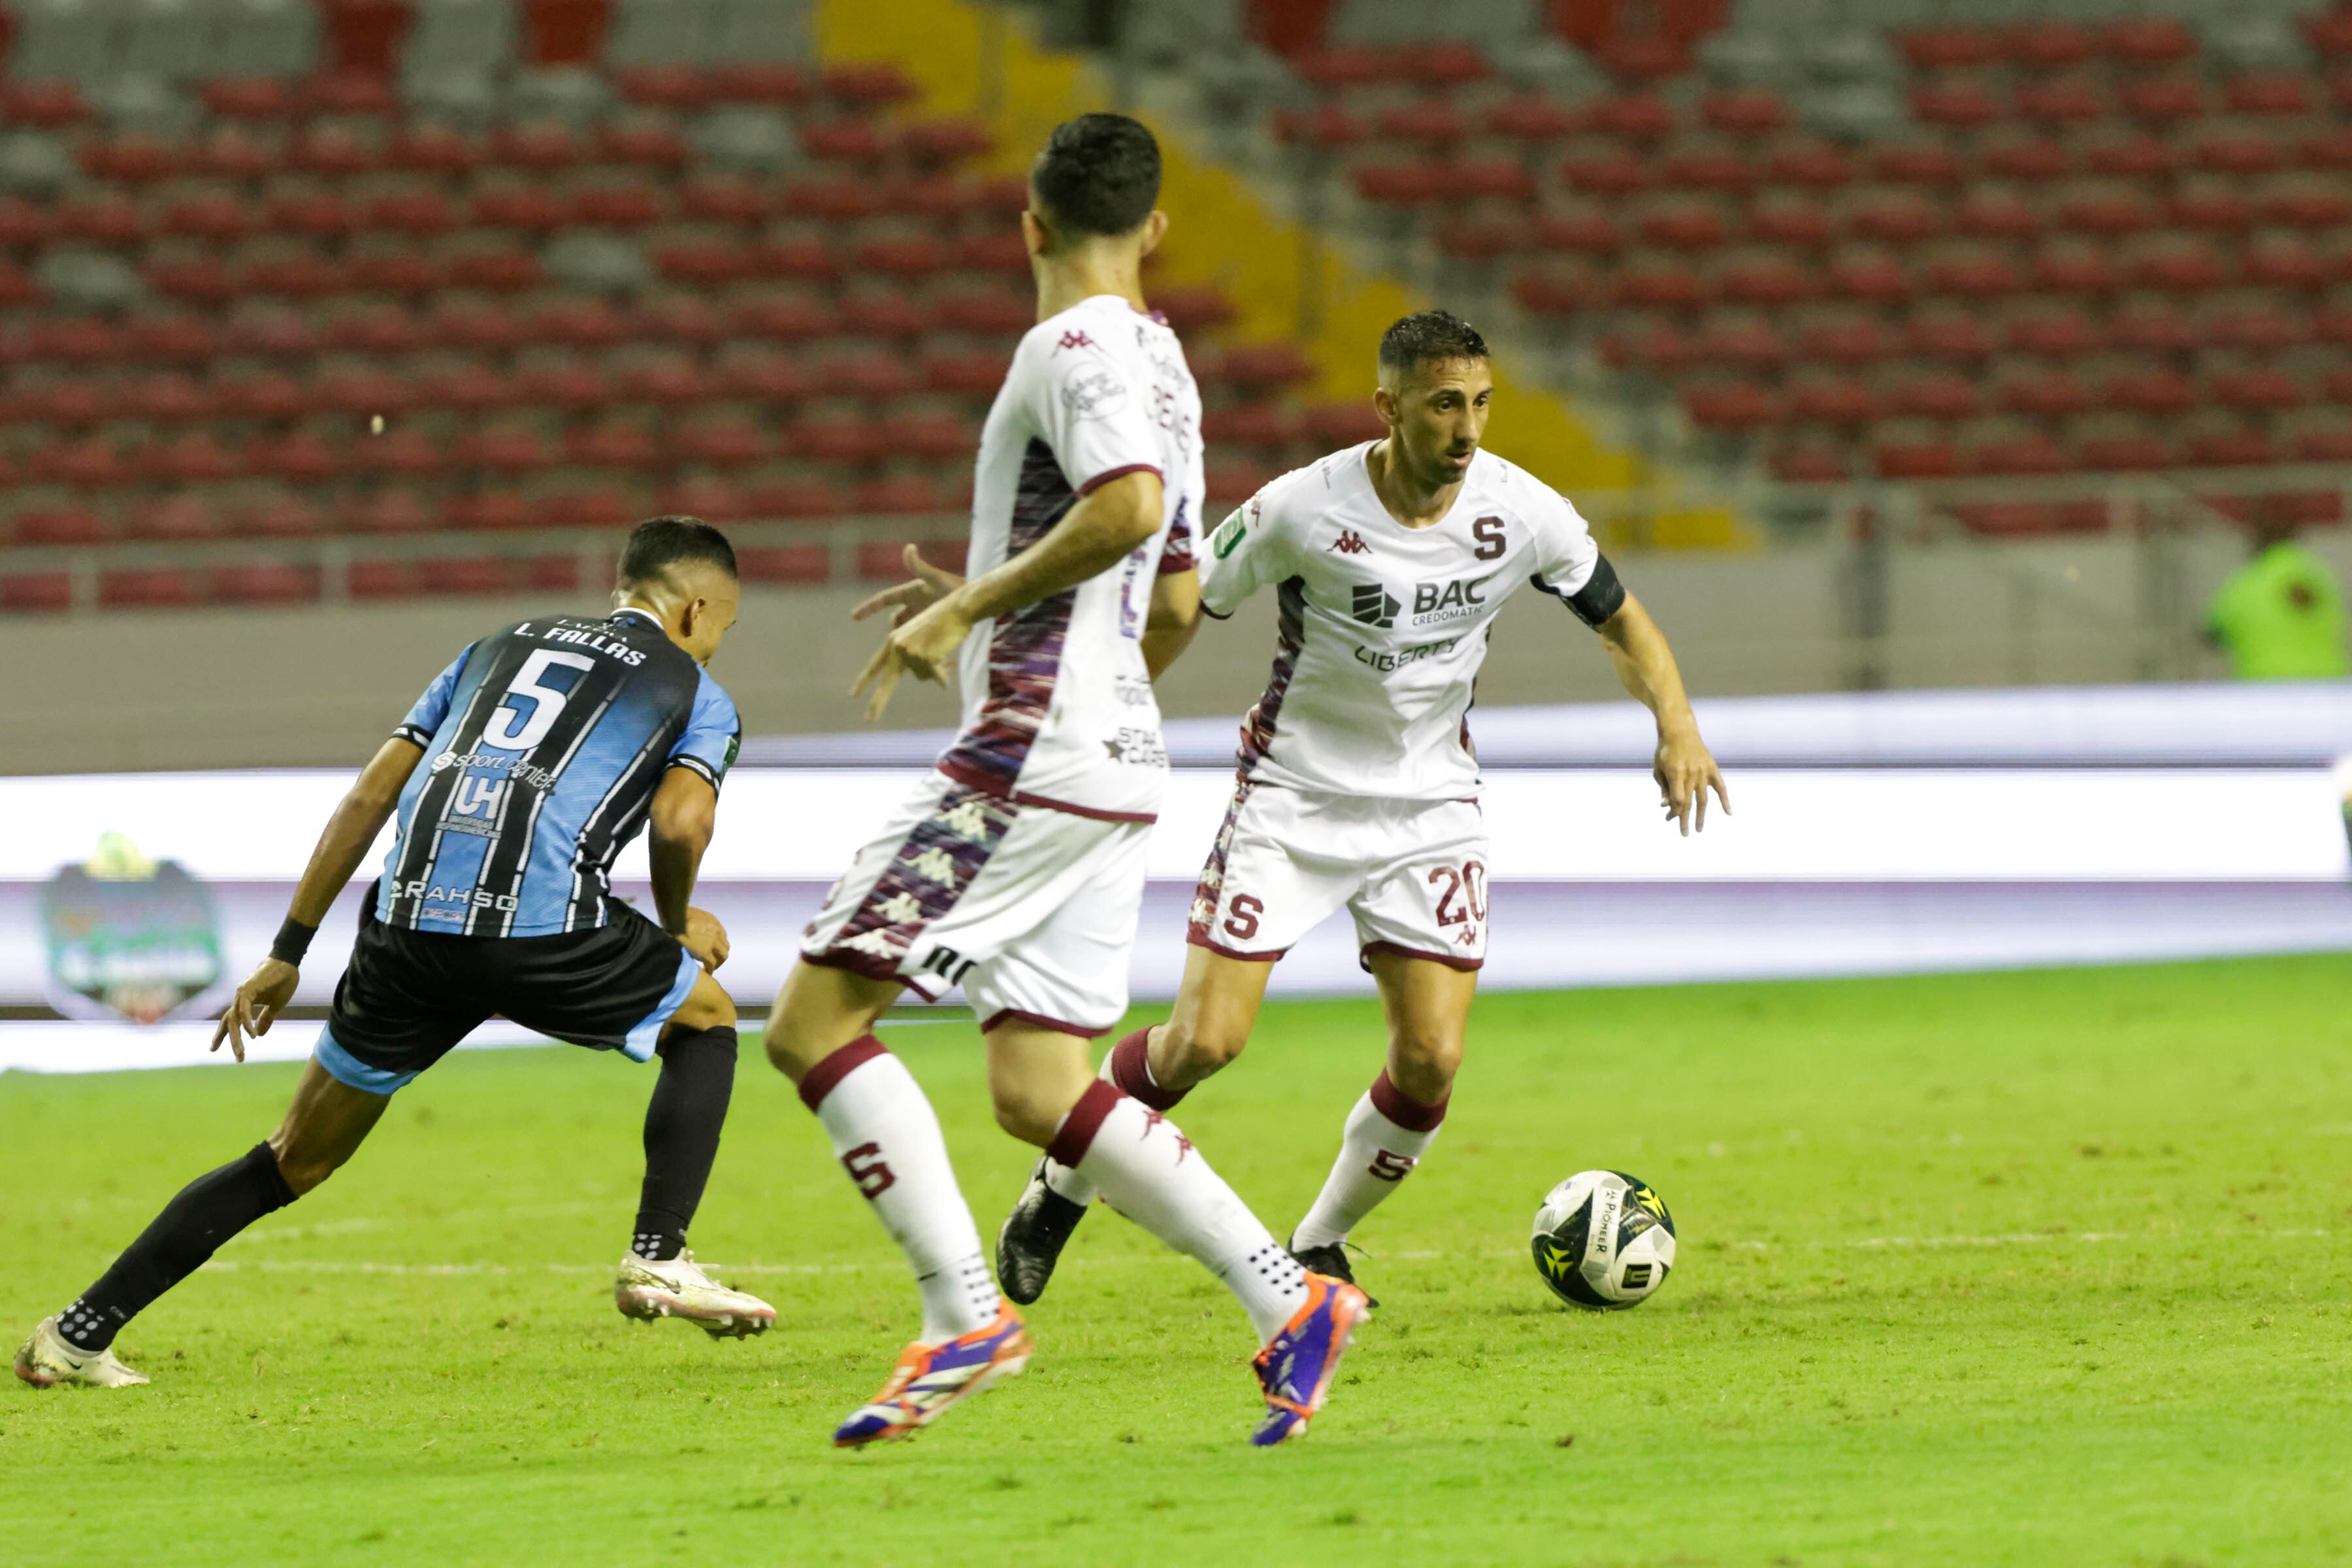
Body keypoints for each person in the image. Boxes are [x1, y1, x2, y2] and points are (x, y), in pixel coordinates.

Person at [763, 112, 1368, 1450]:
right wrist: (1059, 648)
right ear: (1154, 229)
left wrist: (968, 612)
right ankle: (1288, 1299)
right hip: (1114, 756)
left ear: (1028, 226)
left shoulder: (1074, 344)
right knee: (1040, 1086)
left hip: (1033, 752)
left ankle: (963, 1313)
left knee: (812, 1023)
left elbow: (1132, 507)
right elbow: (1180, 597)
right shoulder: (1164, 359)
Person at [996, 309, 1728, 1307]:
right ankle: (1062, 1182)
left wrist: (1677, 723)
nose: (1467, 430)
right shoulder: (1300, 509)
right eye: (1443, 406)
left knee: (1430, 1060)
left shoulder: (1524, 512)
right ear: (1389, 408)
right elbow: (1181, 608)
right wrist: (1099, 717)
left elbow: (1623, 619)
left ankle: (1320, 1240)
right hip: (1291, 799)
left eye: (1479, 404)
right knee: (1202, 1044)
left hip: (1432, 808)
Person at [15, 517, 773, 1390]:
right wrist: (680, 924)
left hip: (408, 927)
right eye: (725, 627)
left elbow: (374, 790)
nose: (719, 644)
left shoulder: (494, 645)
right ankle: (659, 1257)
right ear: (697, 607)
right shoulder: (695, 691)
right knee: (707, 1020)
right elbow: (683, 821)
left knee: (293, 1157)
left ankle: (76, 1336)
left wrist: (288, 948)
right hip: (539, 924)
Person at [2206, 508, 2349, 680]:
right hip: (2327, 682)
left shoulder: (2246, 582)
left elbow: (2213, 633)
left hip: (2266, 684)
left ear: (2258, 542)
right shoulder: (2320, 576)